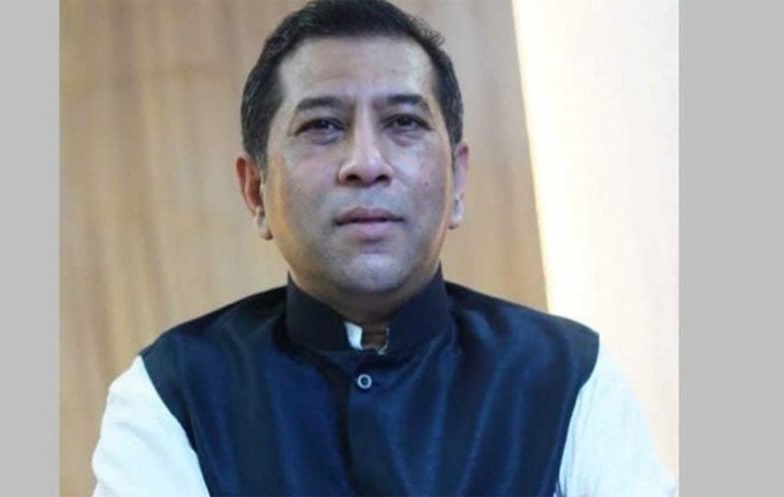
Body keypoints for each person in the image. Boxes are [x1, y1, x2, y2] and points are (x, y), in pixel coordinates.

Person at [92, 1, 675, 495]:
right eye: (322, 126)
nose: (366, 163)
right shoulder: (172, 396)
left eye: (403, 122)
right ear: (255, 191)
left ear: (458, 182)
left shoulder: (569, 375)